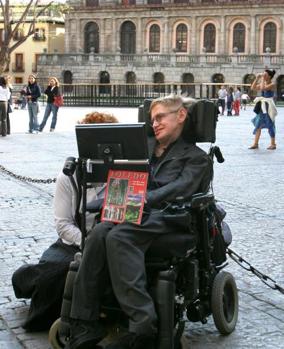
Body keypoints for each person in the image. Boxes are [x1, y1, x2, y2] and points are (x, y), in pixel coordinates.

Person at [66, 95, 211, 349]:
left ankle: (143, 324)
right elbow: (125, 179)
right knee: (100, 232)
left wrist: (146, 198)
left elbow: (182, 188)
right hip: (138, 213)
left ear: (180, 116)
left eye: (160, 117)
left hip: (170, 217)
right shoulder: (142, 150)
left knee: (119, 236)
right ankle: (84, 321)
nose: (154, 123)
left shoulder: (196, 157)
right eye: (152, 119)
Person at [11, 111, 118, 332]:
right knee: (53, 279)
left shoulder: (124, 173)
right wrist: (89, 243)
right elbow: (63, 224)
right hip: (74, 243)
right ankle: (28, 277)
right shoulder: (69, 177)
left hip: (112, 243)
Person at [249, 69, 277, 150]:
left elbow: (262, 88)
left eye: (265, 75)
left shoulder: (272, 84)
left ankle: (273, 144)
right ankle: (255, 143)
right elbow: (253, 88)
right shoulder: (263, 82)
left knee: (270, 125)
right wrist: (256, 78)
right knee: (258, 125)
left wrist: (261, 79)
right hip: (262, 107)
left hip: (269, 108)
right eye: (263, 74)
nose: (264, 76)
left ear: (270, 76)